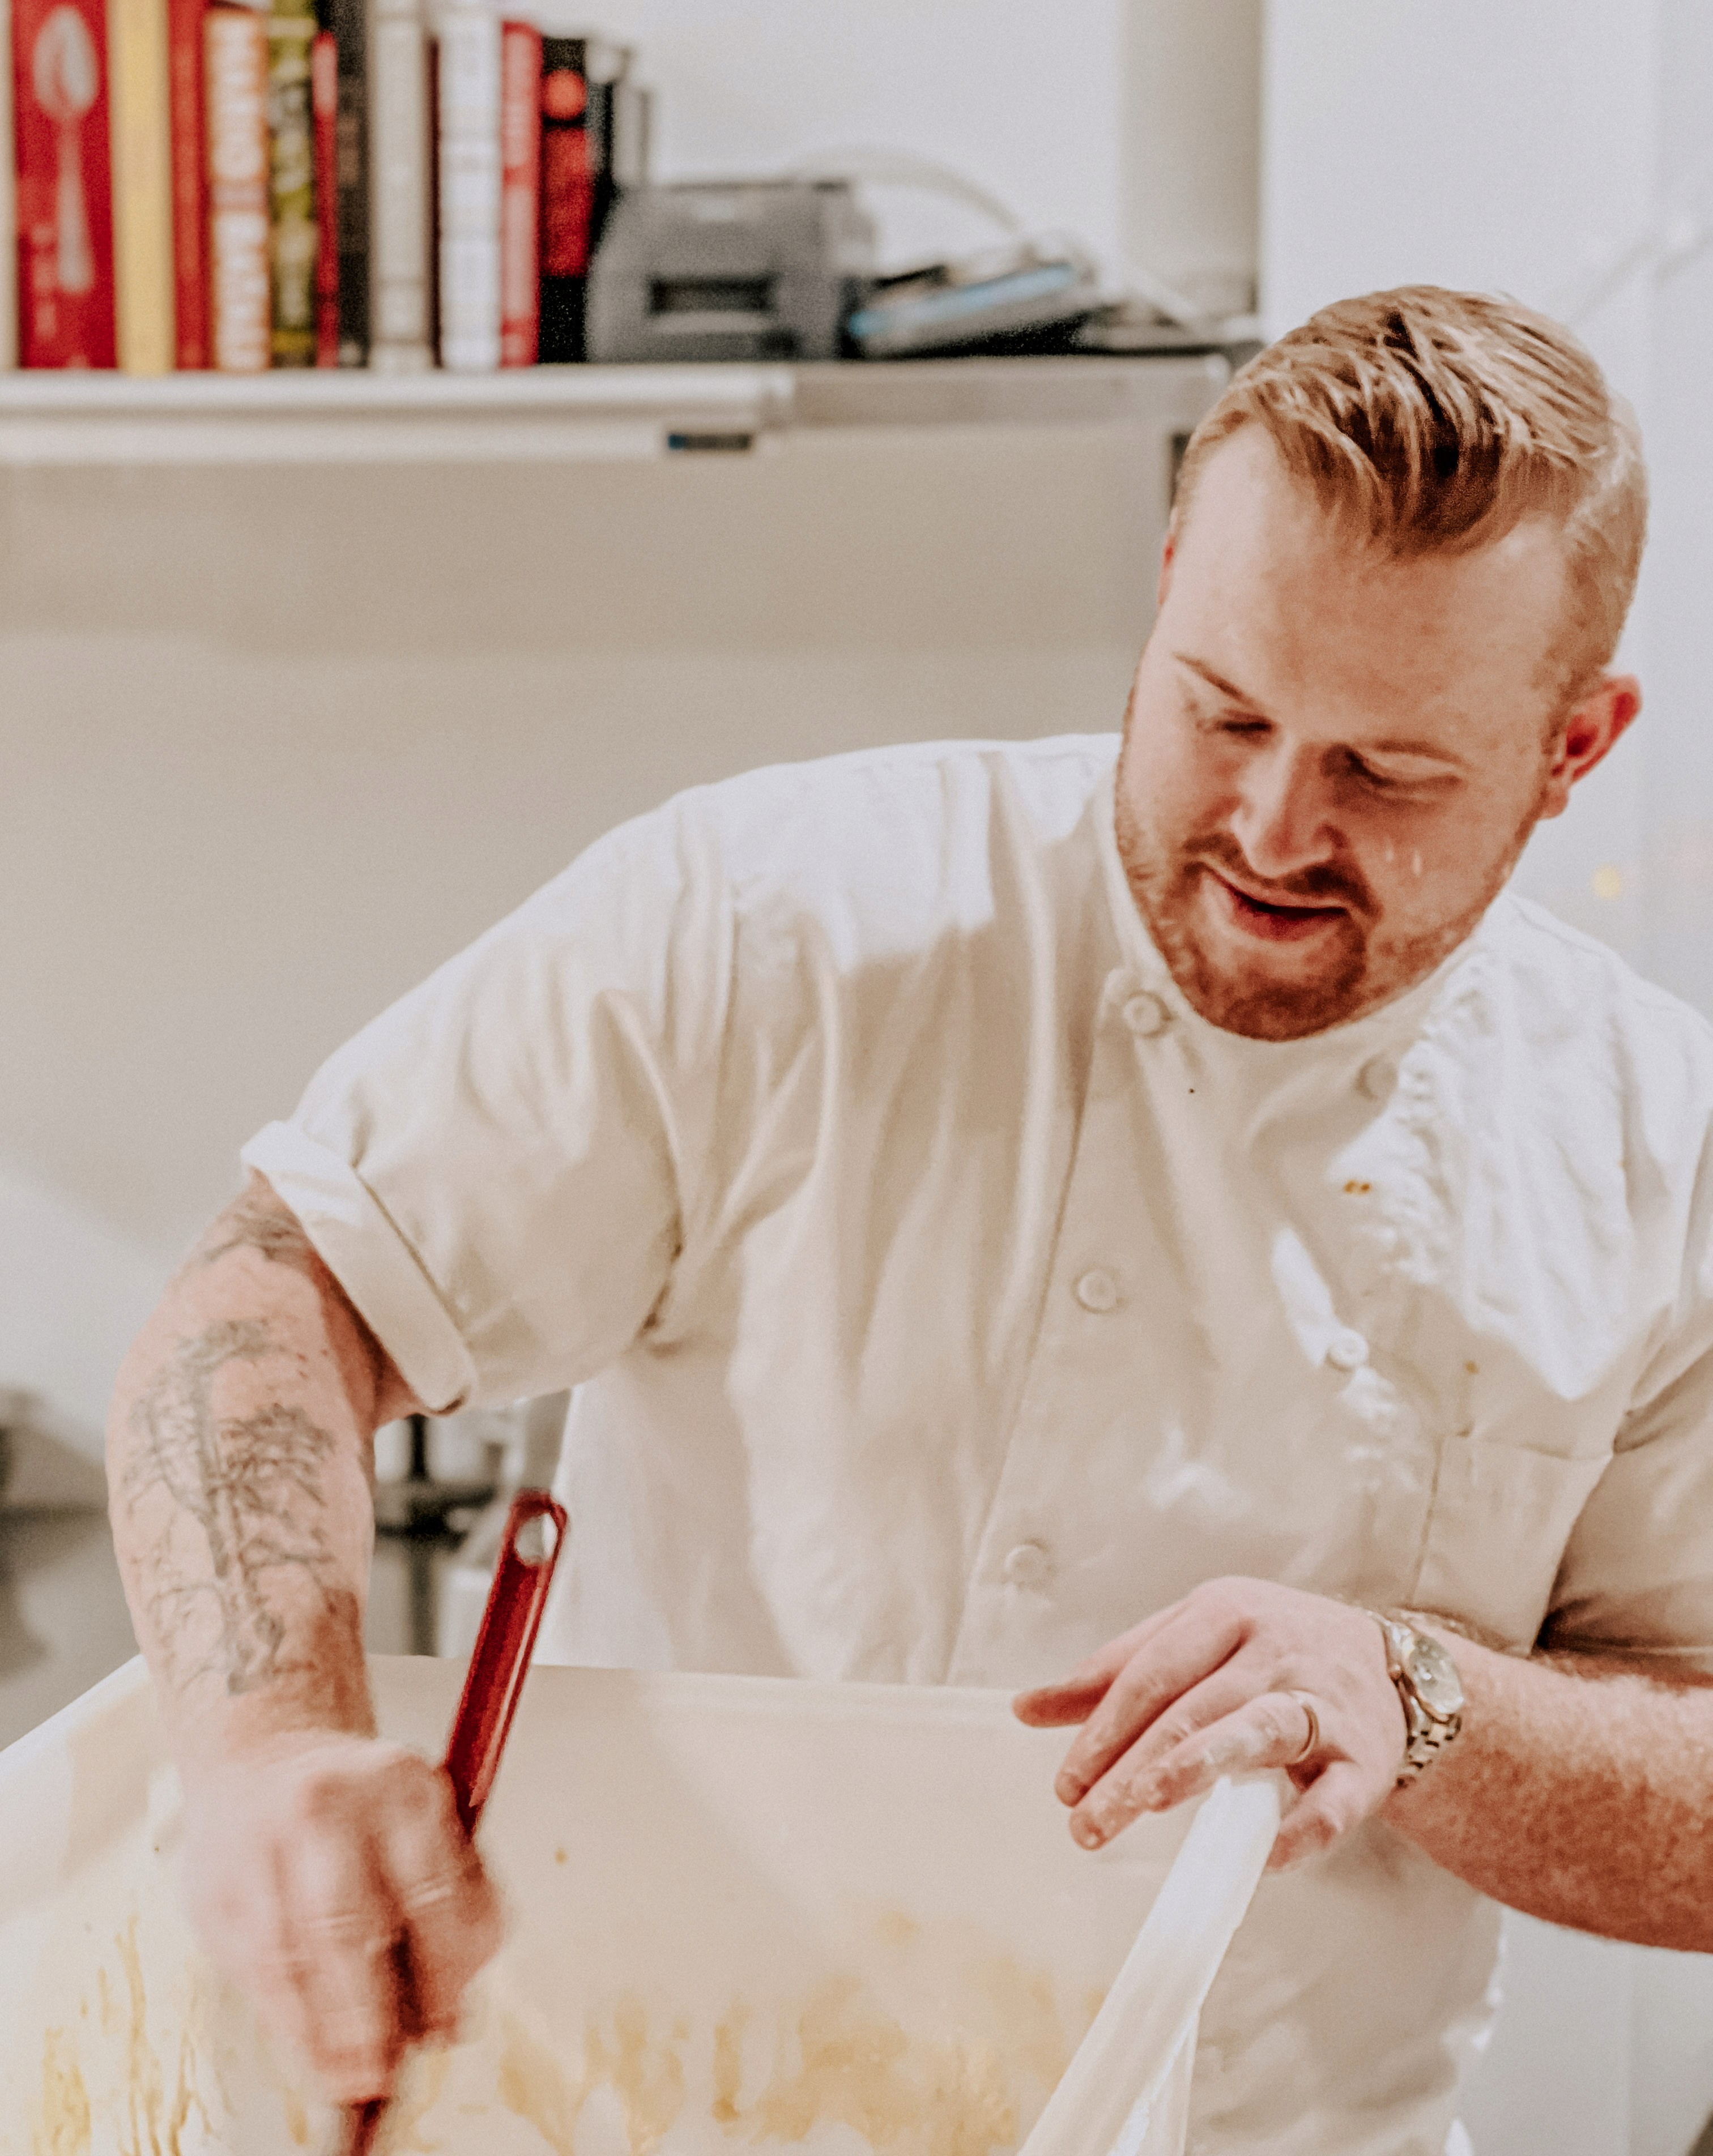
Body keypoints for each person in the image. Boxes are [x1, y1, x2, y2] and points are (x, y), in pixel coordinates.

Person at [107, 285, 1713, 2155]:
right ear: (1174, 575)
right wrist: (270, 1746)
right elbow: (273, 1293)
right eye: (1225, 708)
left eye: (1389, 772)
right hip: (666, 2110)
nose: (1277, 823)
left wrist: (1423, 1696)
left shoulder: (1647, 1146)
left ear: (1573, 749)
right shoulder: (772, 923)